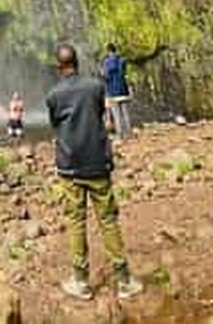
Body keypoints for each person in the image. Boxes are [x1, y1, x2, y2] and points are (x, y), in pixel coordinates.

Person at [46, 43, 143, 303]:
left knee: (76, 221)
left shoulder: (53, 95)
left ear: (58, 66)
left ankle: (80, 281)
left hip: (69, 166)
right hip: (97, 163)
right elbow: (100, 114)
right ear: (77, 61)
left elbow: (55, 124)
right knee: (108, 220)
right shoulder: (96, 87)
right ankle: (124, 280)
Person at [102, 43, 132, 140]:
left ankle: (120, 134)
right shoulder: (122, 60)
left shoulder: (106, 62)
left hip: (112, 92)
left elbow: (106, 77)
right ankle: (129, 133)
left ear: (108, 51)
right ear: (115, 50)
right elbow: (125, 75)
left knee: (116, 114)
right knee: (125, 112)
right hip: (123, 90)